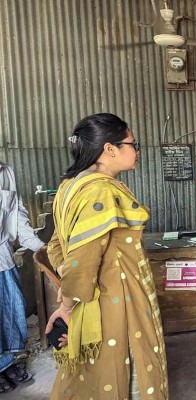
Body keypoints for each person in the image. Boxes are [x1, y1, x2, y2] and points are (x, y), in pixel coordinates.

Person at [44, 113, 168, 400]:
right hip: (116, 301)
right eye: (133, 144)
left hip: (102, 297)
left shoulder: (70, 185)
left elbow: (57, 245)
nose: (137, 151)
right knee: (125, 369)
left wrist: (67, 287)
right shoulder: (100, 191)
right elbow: (82, 262)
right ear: (110, 149)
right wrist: (68, 305)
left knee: (94, 377)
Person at [0, 162, 46, 393]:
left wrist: (41, 247)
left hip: (3, 259)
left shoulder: (5, 171)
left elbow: (17, 215)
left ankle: (5, 364)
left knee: (9, 315)